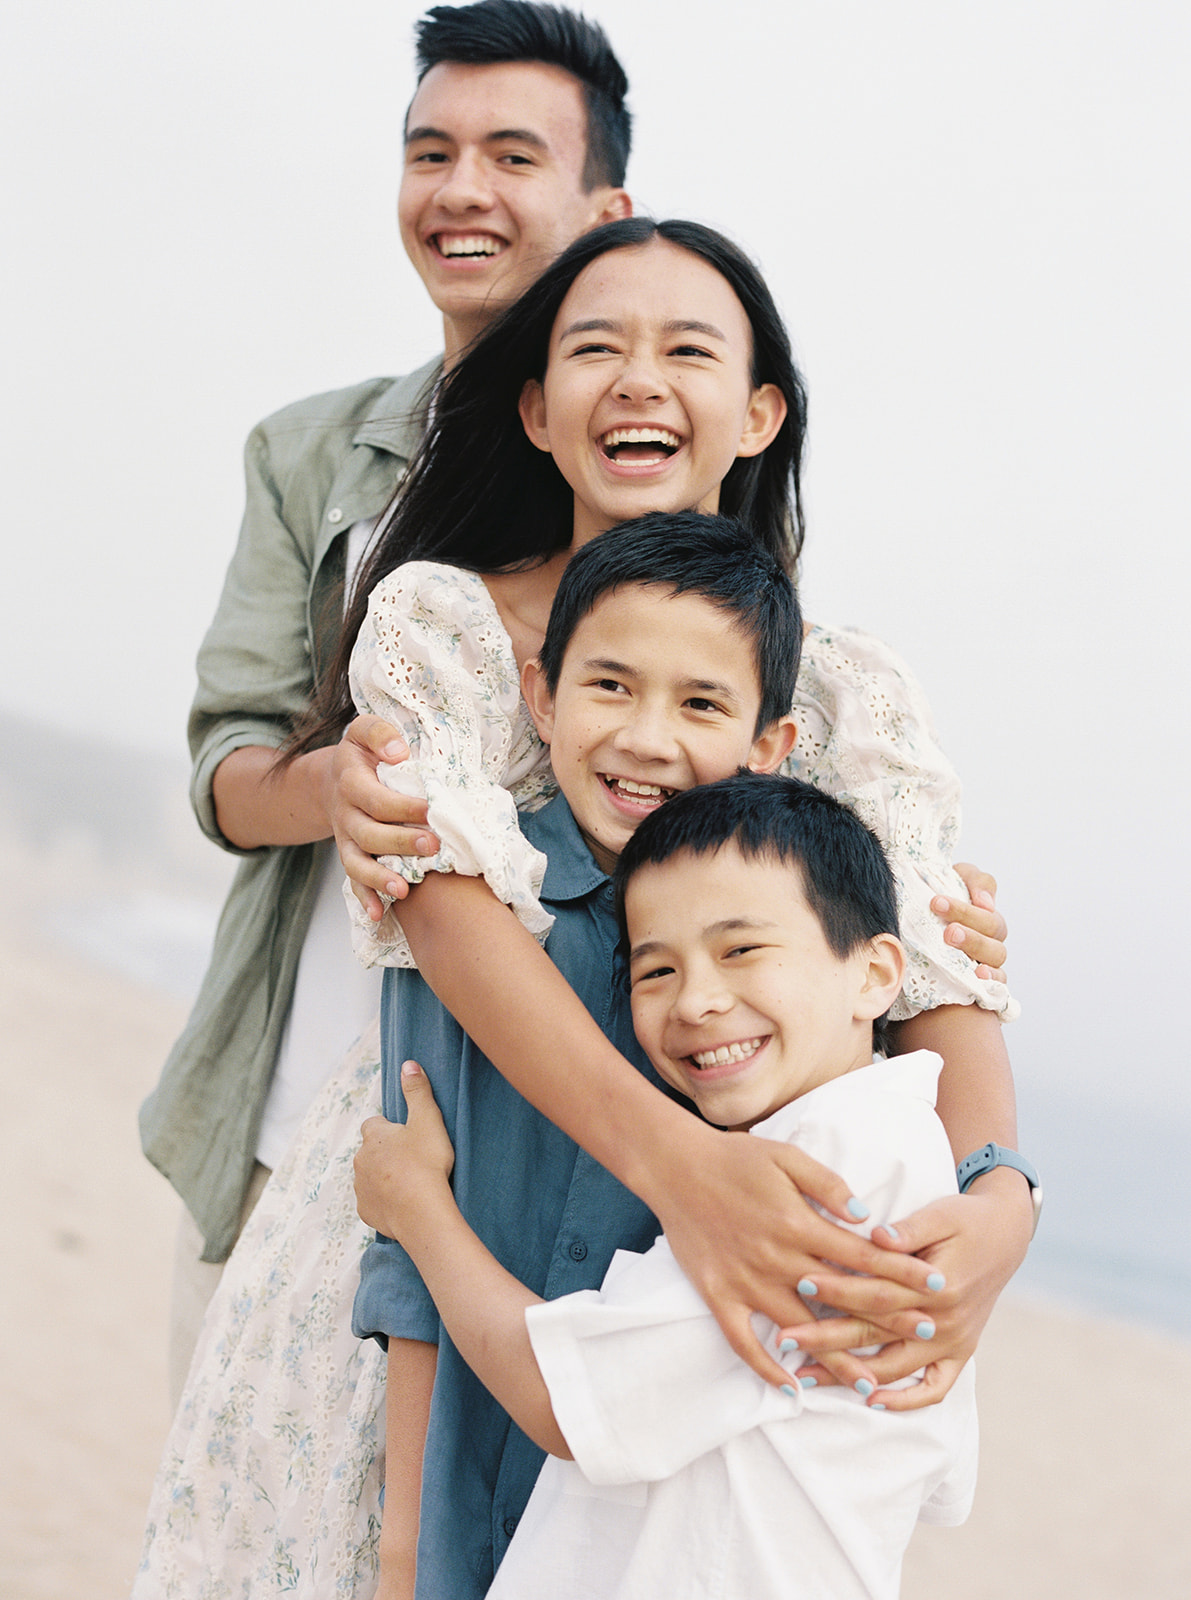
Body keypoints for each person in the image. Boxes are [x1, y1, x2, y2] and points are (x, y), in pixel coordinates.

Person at [135, 220, 1025, 1598]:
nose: (639, 379)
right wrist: (687, 1168)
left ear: (758, 410)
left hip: (661, 1240)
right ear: (533, 409)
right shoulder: (448, 630)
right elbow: (439, 923)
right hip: (457, 1176)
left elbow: (927, 971)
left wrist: (998, 1202)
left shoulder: (827, 689)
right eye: (595, 346)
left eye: (688, 349)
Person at [137, 0, 636, 1397]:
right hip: (271, 1123)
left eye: (510, 155)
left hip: (526, 1162)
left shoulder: (654, 475)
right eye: (430, 151)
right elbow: (226, 771)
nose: (460, 188)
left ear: (607, 203)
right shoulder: (310, 452)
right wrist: (341, 786)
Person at [368, 769, 979, 1600]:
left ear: (874, 975)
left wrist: (418, 1211)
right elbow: (942, 1481)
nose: (695, 1001)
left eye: (741, 950)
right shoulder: (902, 1150)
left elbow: (568, 1403)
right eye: (654, 973)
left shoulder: (833, 1167)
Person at [354, 513, 805, 1598]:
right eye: (611, 687)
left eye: (700, 704)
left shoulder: (766, 964)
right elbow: (409, 1247)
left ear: (767, 745)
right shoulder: (478, 891)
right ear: (542, 693)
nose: (648, 738)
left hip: (638, 1507)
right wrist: (407, 1540)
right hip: (460, 1447)